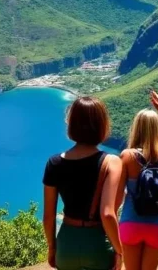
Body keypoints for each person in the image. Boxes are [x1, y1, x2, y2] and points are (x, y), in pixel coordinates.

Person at [44, 96, 124, 270]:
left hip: (67, 242)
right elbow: (108, 214)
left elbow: (48, 216)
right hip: (97, 243)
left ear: (71, 124)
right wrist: (119, 251)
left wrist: (52, 247)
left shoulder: (54, 163)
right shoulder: (111, 162)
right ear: (102, 125)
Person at [118, 91, 158, 270]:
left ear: (136, 128)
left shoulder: (127, 156)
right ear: (157, 129)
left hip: (130, 223)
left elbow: (117, 196)